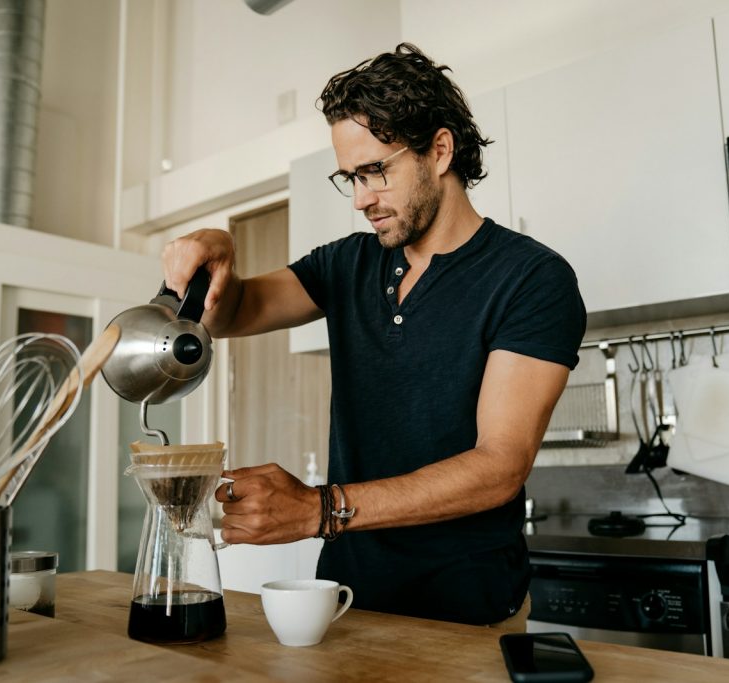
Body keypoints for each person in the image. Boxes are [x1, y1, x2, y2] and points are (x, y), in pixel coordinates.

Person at [160, 43, 586, 627]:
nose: (362, 199)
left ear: (440, 150)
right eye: (350, 178)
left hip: (470, 610)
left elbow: (499, 466)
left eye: (376, 171)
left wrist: (321, 509)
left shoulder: (532, 278)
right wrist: (222, 253)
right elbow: (235, 311)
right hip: (347, 599)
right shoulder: (348, 265)